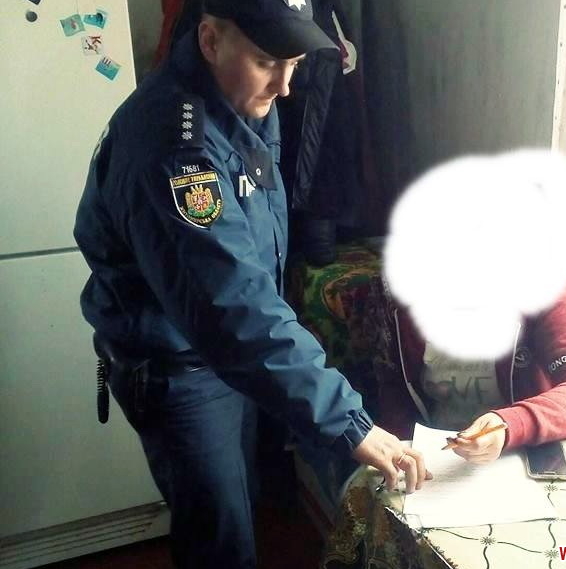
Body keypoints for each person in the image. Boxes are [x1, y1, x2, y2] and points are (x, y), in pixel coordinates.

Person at [73, 1, 430, 567]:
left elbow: (250, 249)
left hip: (224, 358)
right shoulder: (177, 147)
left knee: (247, 508)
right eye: (268, 61)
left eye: (294, 63)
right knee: (220, 544)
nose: (285, 87)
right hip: (182, 370)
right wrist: (348, 422)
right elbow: (231, 306)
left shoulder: (241, 99)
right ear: (210, 40)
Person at [396, 288, 566, 464]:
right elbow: (393, 389)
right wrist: (398, 447)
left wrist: (510, 423)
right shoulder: (400, 296)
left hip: (521, 453)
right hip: (430, 456)